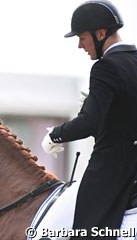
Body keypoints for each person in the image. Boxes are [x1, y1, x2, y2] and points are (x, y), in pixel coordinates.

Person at [41, 0, 137, 239]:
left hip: (113, 170)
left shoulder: (105, 67)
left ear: (100, 33)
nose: (80, 46)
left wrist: (55, 134)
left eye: (82, 38)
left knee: (87, 230)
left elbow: (89, 123)